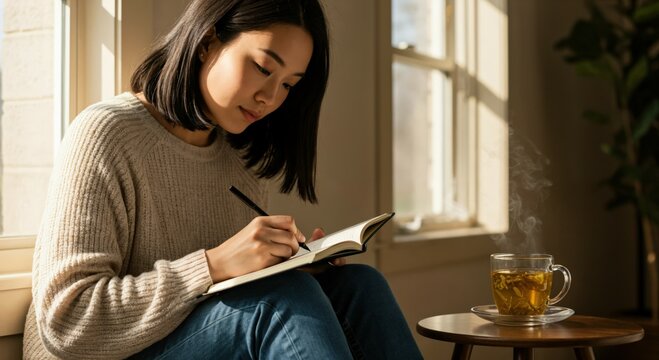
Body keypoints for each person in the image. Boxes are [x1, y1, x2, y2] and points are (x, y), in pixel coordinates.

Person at [23, 0, 423, 358]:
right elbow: (68, 323)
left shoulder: (237, 159)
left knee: (358, 286)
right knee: (280, 301)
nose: (271, 97)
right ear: (207, 40)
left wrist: (284, 265)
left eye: (288, 84)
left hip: (185, 338)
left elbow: (222, 307)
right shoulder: (106, 133)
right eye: (263, 68)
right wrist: (212, 265)